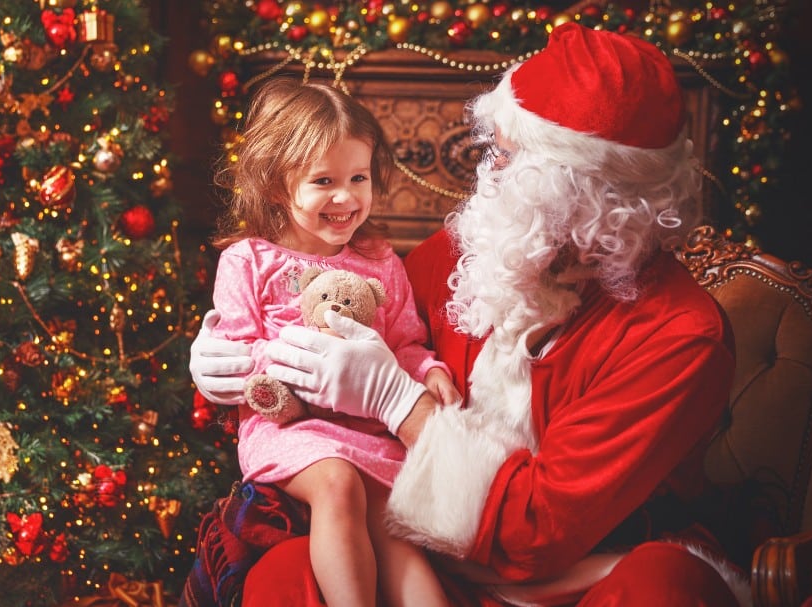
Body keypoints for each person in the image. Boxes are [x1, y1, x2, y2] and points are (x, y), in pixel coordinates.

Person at [188, 22, 750, 607]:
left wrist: (397, 401)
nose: (487, 176)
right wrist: (224, 371)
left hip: (583, 575)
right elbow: (337, 329)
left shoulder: (680, 337)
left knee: (664, 589)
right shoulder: (476, 248)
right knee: (286, 576)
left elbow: (538, 530)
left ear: (579, 191)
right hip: (428, 559)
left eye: (506, 159)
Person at [199, 77, 461, 607]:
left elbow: (404, 343)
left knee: (393, 519)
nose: (346, 197)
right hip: (290, 428)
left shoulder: (380, 262)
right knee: (339, 482)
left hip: (370, 428)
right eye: (324, 180)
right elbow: (237, 355)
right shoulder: (249, 261)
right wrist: (269, 362)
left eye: (358, 177)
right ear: (277, 185)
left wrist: (429, 371)